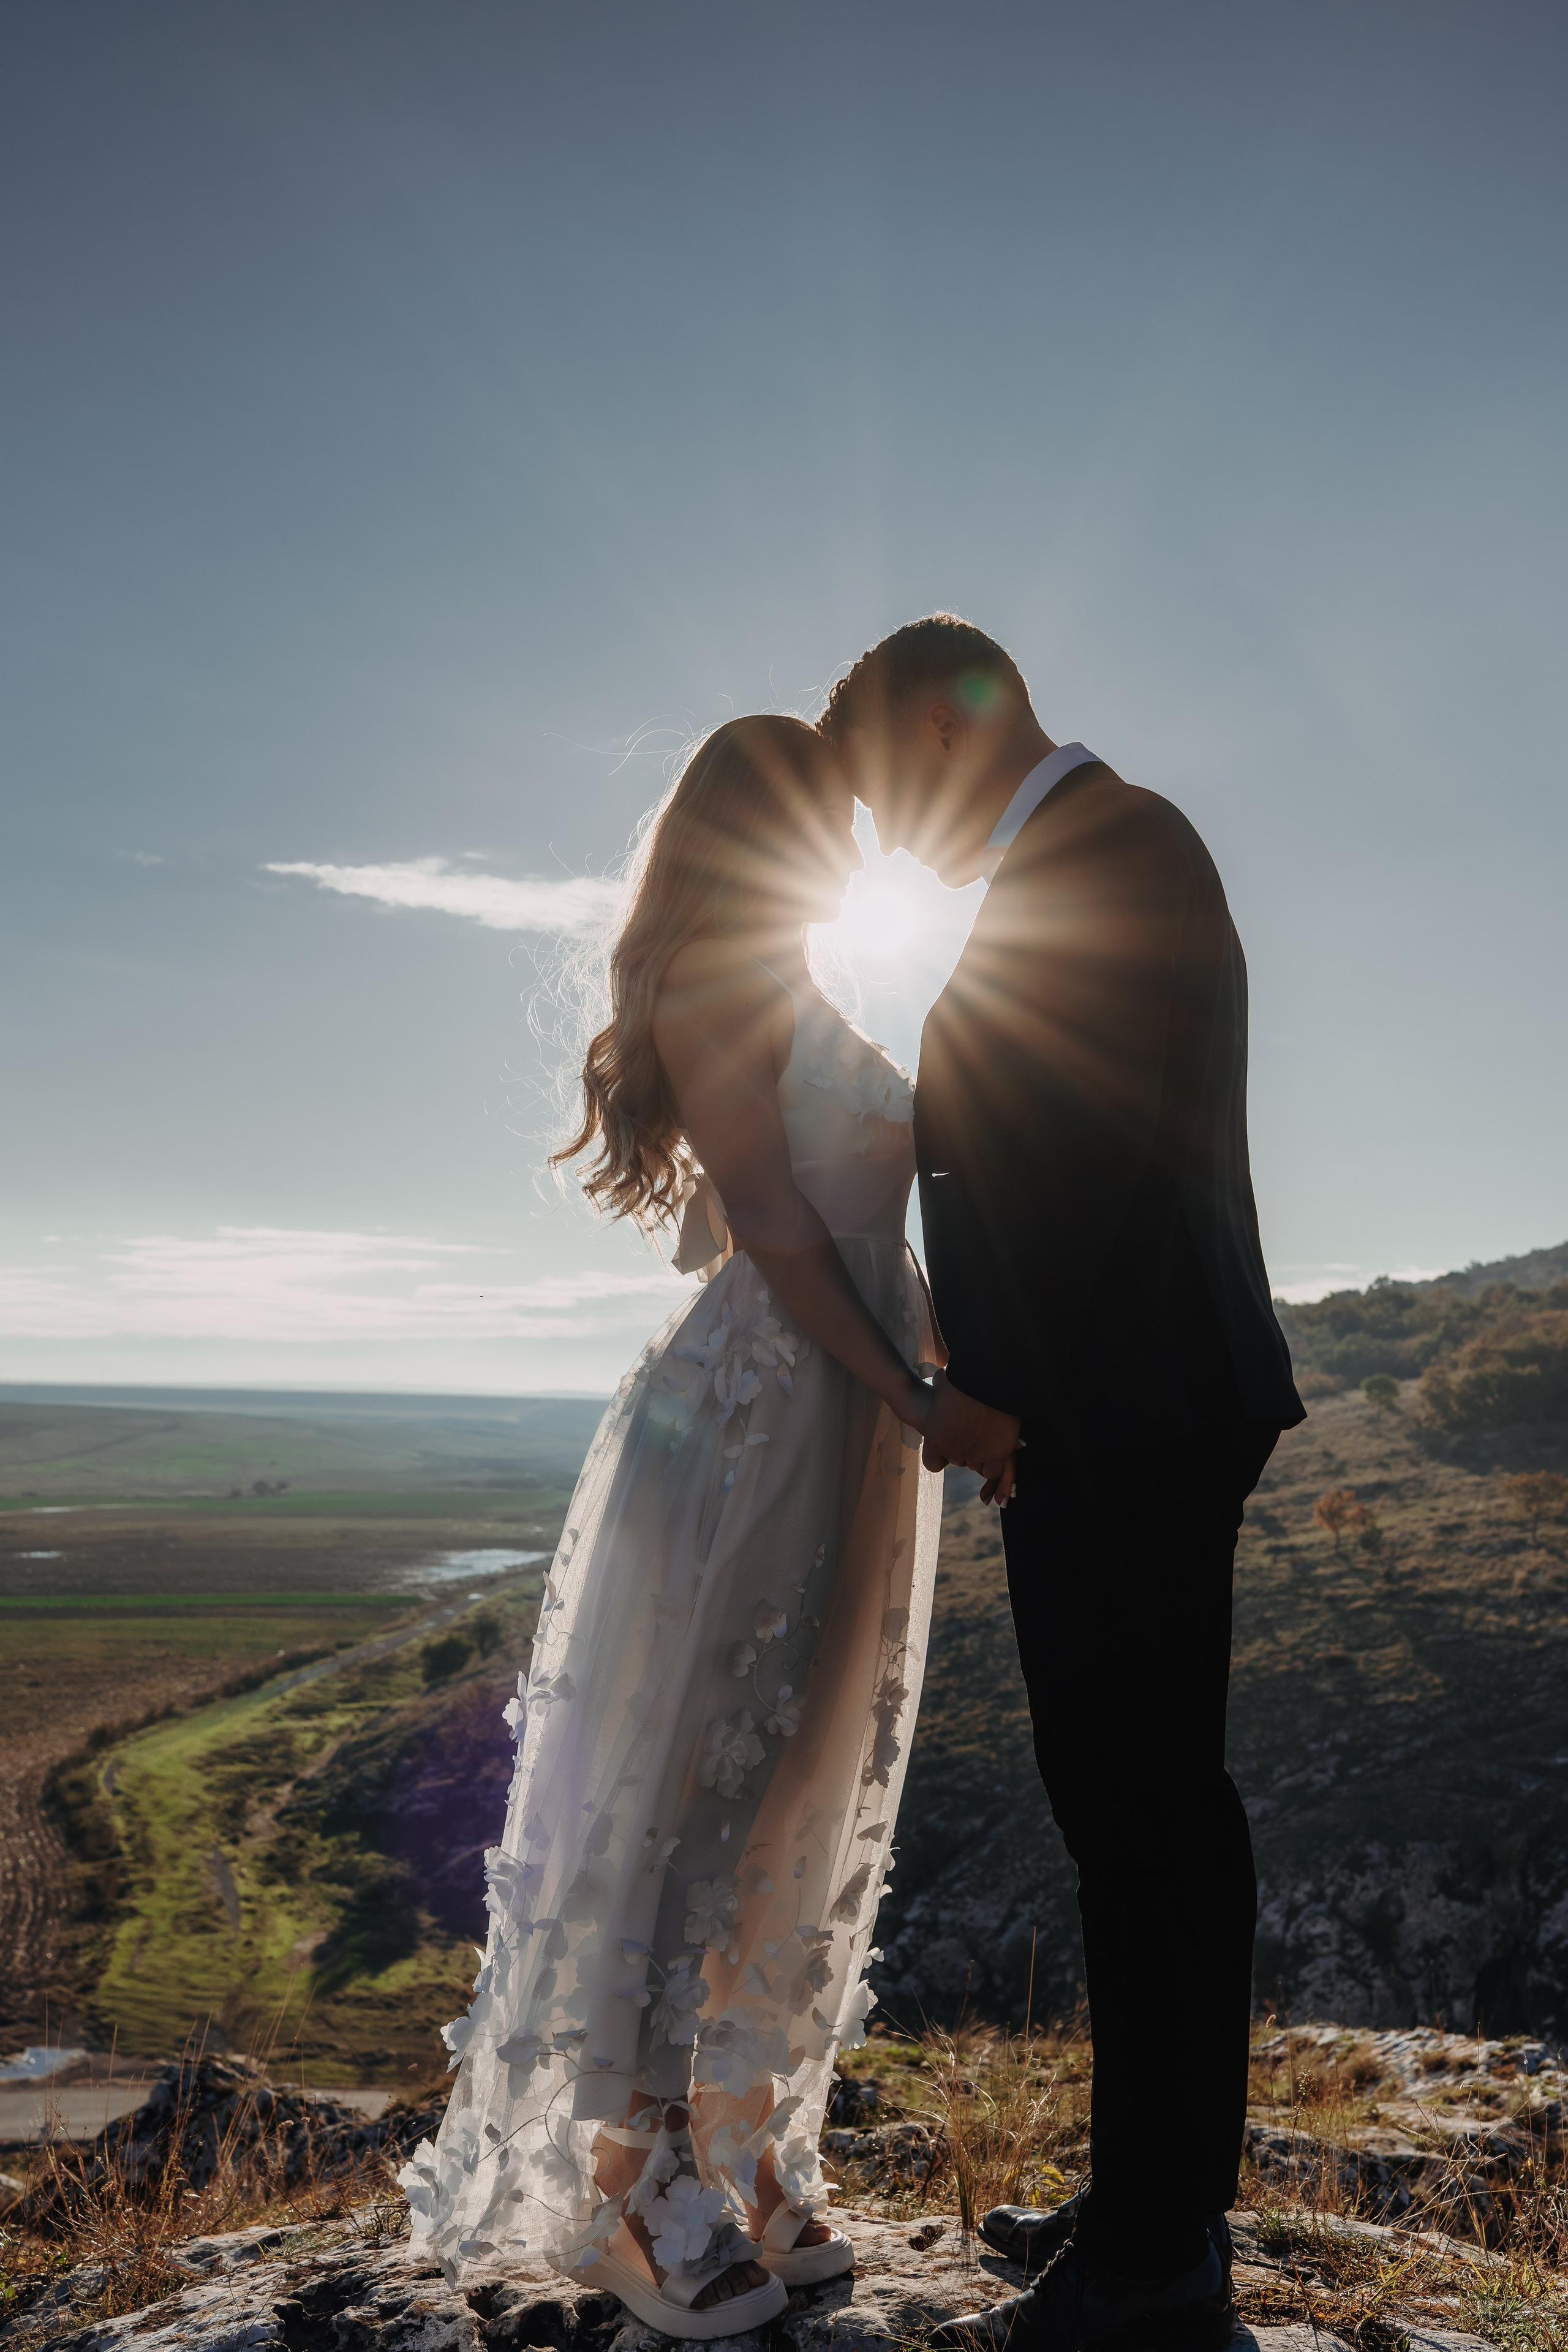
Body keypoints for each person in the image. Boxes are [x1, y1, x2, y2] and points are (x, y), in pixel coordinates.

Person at [401, 715, 947, 2340]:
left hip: (844, 1406)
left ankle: (737, 2128)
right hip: (770, 1408)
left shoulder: (797, 975)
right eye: (825, 816)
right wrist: (914, 1392)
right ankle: (632, 2184)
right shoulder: (719, 966)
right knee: (697, 1779)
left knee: (801, 1775)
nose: (854, 843)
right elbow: (772, 1224)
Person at [820, 616, 1305, 2352]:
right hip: (1132, 1403)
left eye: (884, 793)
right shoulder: (1098, 849)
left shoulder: (1115, 847)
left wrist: (986, 1396)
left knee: (1149, 1820)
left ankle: (1159, 2256)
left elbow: (1088, 1161)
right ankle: (1148, 2199)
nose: (883, 838)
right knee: (1138, 1820)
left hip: (1128, 1407)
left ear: (958, 732)